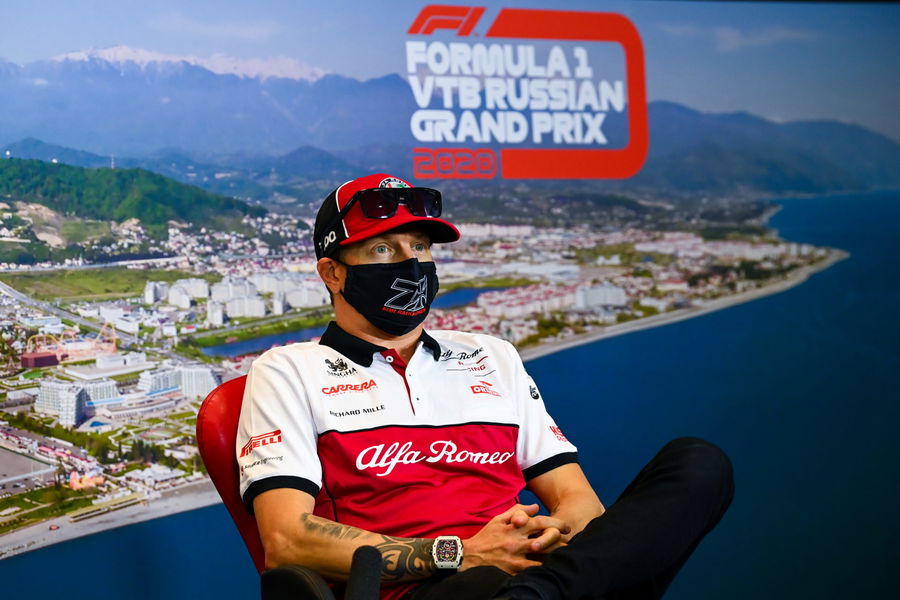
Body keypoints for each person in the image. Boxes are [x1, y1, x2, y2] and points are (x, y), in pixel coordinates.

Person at [237, 173, 734, 600]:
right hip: (431, 589)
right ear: (332, 273)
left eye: (420, 247)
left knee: (699, 465)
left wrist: (548, 535)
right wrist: (464, 553)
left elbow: (580, 501)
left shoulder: (492, 356)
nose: (411, 262)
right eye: (383, 249)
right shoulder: (287, 371)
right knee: (493, 584)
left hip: (540, 573)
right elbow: (287, 541)